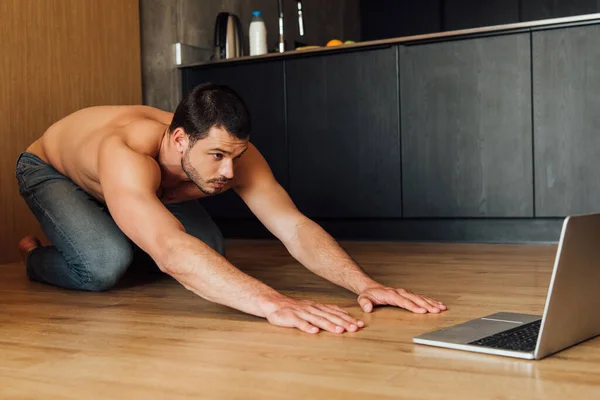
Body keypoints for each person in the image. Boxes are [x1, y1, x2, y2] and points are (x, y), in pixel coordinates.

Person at [15, 83, 447, 334]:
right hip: (53, 171)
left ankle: (125, 223)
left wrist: (364, 285)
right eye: (218, 156)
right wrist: (273, 303)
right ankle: (36, 257)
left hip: (140, 193)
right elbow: (169, 250)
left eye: (236, 156)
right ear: (181, 139)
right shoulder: (126, 152)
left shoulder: (232, 152)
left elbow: (293, 226)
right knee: (105, 263)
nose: (229, 171)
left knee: (210, 250)